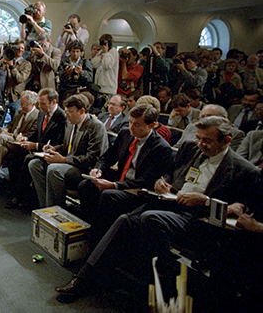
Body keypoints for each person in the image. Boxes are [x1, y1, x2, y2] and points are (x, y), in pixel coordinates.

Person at [56, 116, 260, 304]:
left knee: (150, 218)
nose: (200, 144)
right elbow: (170, 173)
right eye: (198, 138)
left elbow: (242, 207)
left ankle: (158, 277)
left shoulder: (244, 170)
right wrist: (163, 181)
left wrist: (205, 201)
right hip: (169, 202)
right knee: (125, 220)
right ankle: (86, 279)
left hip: (198, 219)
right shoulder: (190, 147)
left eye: (207, 140)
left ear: (226, 141)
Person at [77, 103, 172, 238]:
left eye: (137, 125)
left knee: (109, 195)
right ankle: (87, 227)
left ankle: (99, 235)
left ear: (152, 125)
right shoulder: (125, 133)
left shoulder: (160, 148)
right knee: (85, 186)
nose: (131, 127)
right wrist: (98, 170)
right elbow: (107, 157)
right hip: (121, 180)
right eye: (130, 122)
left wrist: (114, 185)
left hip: (137, 190)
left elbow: (145, 180)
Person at [29, 94, 108, 208]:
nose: (66, 115)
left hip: (84, 168)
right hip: (70, 162)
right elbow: (67, 147)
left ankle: (55, 209)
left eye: (70, 112)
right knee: (34, 164)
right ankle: (45, 206)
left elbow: (92, 158)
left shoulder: (95, 126)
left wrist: (64, 160)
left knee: (54, 169)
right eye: (66, 111)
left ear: (82, 111)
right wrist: (55, 148)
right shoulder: (70, 124)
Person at [5, 88, 66, 209]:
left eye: (43, 103)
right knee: (13, 158)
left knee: (28, 159)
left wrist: (36, 145)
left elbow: (58, 142)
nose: (40, 106)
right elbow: (38, 133)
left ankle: (20, 196)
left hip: (51, 151)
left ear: (53, 102)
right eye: (39, 103)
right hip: (38, 148)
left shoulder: (61, 117)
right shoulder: (42, 113)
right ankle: (20, 194)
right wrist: (26, 139)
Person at [176, 104, 245, 151]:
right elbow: (177, 147)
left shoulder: (235, 133)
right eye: (203, 116)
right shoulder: (191, 127)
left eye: (209, 116)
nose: (205, 119)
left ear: (223, 118)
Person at [0, 38, 31, 122]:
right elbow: (0, 75)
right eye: (18, 47)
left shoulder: (26, 64)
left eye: (22, 48)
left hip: (16, 97)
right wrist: (2, 61)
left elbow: (20, 79)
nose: (20, 50)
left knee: (16, 121)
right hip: (4, 95)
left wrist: (12, 66)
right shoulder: (5, 61)